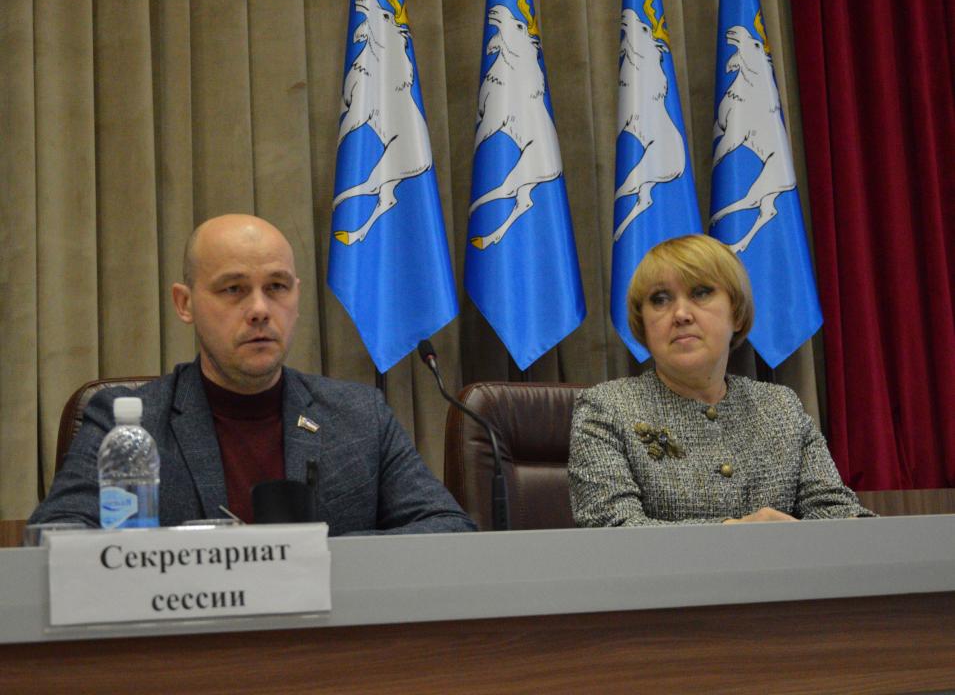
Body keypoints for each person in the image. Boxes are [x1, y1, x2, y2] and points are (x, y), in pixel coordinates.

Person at [30, 214, 476, 535]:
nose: (260, 309)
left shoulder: (360, 416)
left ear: (296, 297)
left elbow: (447, 527)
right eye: (234, 289)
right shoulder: (128, 421)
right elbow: (57, 533)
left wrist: (310, 557)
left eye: (276, 287)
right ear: (185, 303)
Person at [569, 234, 873, 527]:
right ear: (643, 324)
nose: (681, 314)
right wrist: (735, 531)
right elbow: (613, 527)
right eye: (660, 299)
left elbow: (835, 511)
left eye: (701, 292)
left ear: (736, 313)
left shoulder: (781, 407)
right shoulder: (606, 408)